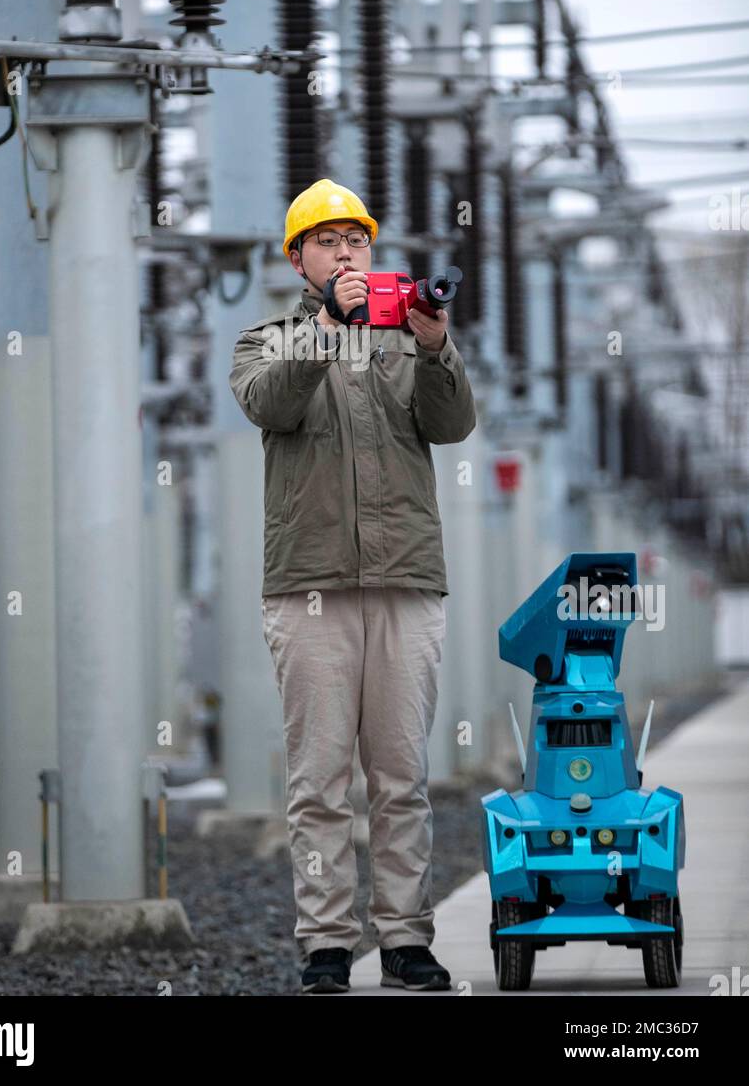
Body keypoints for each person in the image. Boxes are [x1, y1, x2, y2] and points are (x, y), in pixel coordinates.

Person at [228, 178, 476, 993]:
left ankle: (405, 939)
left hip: (405, 579)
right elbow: (272, 404)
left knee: (401, 776)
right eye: (328, 242)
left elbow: (453, 425)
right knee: (320, 779)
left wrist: (437, 344)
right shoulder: (266, 341)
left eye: (358, 240)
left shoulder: (408, 340)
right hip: (311, 585)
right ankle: (326, 944)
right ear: (298, 260)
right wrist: (331, 327)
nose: (346, 253)